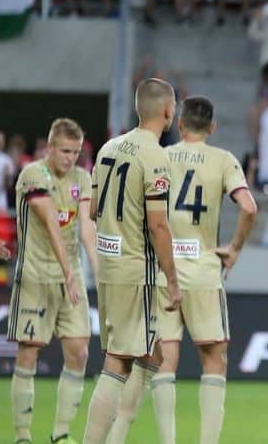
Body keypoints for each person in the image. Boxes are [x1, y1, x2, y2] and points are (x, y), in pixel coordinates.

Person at [108, 96, 257, 444]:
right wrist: (234, 248)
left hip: (164, 270)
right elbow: (249, 207)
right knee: (214, 361)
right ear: (212, 127)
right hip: (203, 272)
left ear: (179, 124)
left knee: (163, 360)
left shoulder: (159, 156)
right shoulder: (223, 160)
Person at [82, 79, 182, 444]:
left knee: (151, 354)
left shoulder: (109, 148)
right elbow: (158, 225)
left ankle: (118, 435)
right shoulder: (155, 156)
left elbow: (93, 210)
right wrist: (173, 279)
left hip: (109, 267)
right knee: (119, 361)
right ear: (168, 111)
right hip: (135, 269)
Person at [7, 119, 95, 444]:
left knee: (79, 353)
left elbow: (86, 228)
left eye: (75, 152)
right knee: (28, 353)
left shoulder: (82, 178)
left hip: (70, 278)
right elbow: (51, 225)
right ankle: (22, 435)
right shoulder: (32, 174)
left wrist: (99, 272)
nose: (70, 158)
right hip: (36, 276)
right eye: (65, 151)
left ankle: (61, 433)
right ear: (50, 147)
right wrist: (69, 272)